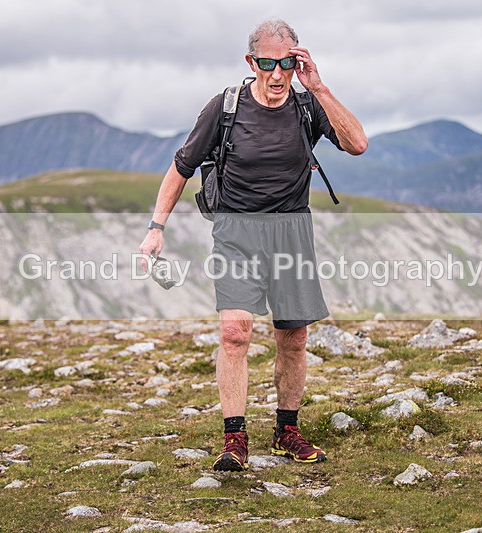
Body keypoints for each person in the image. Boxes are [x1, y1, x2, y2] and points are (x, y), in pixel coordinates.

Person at [139, 19, 367, 471]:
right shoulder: (225, 107)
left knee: (293, 337)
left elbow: (357, 143)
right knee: (234, 332)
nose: (278, 74)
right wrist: (155, 226)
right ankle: (234, 439)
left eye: (287, 63)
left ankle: (287, 430)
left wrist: (318, 87)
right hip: (236, 232)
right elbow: (180, 167)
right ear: (252, 63)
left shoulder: (307, 105)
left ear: (297, 61)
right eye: (268, 64)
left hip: (291, 231)